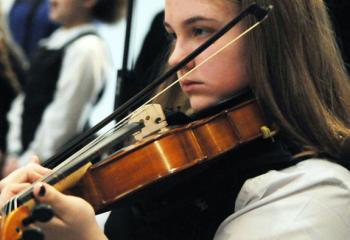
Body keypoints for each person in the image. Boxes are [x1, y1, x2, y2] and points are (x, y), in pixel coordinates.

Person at [1, 0, 350, 239]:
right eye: (172, 35)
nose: (175, 58)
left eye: (200, 31)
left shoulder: (314, 190)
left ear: (272, 36)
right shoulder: (178, 150)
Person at [3, 0, 123, 175]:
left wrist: (24, 164)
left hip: (50, 170)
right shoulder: (55, 38)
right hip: (25, 163)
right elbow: (24, 100)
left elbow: (63, 123)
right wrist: (14, 152)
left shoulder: (88, 49)